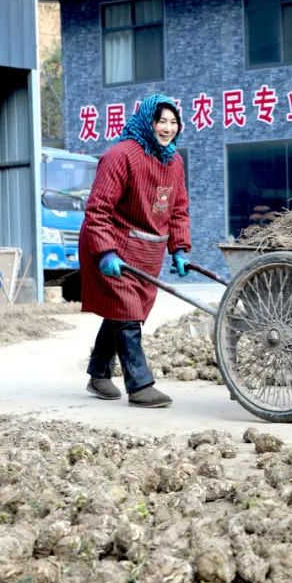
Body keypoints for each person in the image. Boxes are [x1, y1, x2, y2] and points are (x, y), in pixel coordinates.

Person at [78, 94, 191, 408]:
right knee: (127, 313)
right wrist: (105, 253)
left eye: (173, 122)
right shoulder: (120, 155)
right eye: (161, 121)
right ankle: (140, 385)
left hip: (146, 251)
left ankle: (98, 373)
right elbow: (98, 210)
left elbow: (178, 209)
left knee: (124, 312)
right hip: (113, 245)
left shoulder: (174, 161)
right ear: (147, 122)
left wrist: (179, 248)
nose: (167, 128)